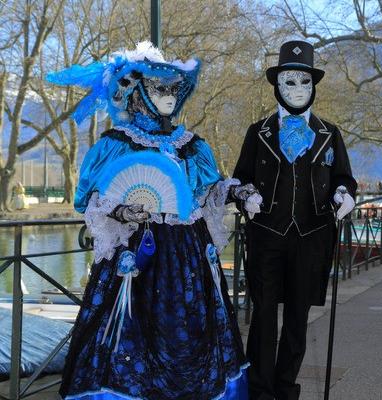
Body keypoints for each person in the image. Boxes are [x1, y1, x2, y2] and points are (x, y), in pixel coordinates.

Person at [47, 41, 263, 400]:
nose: (169, 95)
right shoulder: (117, 144)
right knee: (133, 334)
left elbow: (209, 191)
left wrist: (238, 193)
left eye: (173, 88)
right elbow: (91, 200)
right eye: (159, 87)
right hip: (139, 253)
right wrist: (122, 211)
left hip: (187, 256)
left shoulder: (193, 146)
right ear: (136, 92)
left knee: (186, 331)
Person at [233, 40, 357, 400]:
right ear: (277, 85)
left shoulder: (329, 133)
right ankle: (261, 390)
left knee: (298, 320)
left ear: (314, 85)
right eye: (290, 81)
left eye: (304, 82)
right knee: (264, 317)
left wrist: (344, 195)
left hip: (312, 235)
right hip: (267, 235)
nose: (298, 89)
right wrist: (245, 196)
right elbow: (240, 179)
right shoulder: (259, 132)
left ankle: (286, 388)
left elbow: (344, 178)